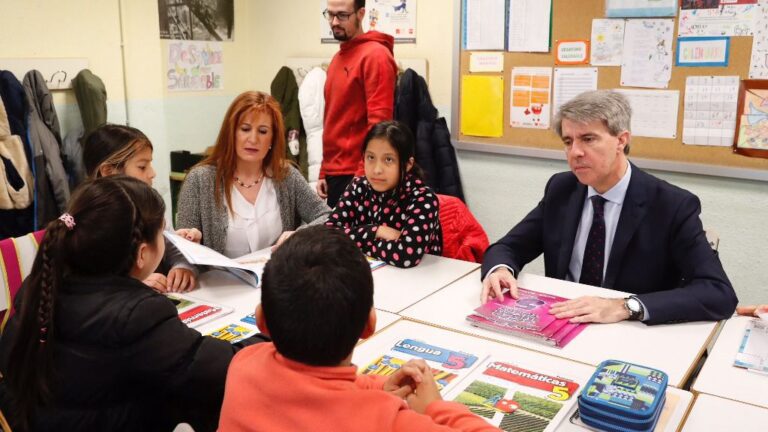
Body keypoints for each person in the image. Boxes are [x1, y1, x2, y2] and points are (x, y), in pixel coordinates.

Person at [0, 176, 269, 431]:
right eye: (163, 234)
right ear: (142, 254)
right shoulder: (136, 315)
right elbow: (223, 368)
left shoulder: (39, 285)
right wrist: (269, 327)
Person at [481, 90, 738, 325]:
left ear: (621, 140)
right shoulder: (562, 188)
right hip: (563, 320)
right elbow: (509, 246)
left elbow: (718, 293)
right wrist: (500, 269)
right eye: (568, 141)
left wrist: (626, 306)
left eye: (588, 139)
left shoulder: (671, 205)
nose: (575, 152)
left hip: (629, 330)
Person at [218, 225, 498, 431]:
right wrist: (436, 407)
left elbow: (316, 387)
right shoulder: (387, 422)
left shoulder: (243, 365)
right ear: (369, 325)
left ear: (261, 320)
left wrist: (377, 388)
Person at [176, 91, 330, 258]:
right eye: (245, 129)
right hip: (220, 282)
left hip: (277, 278)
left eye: (263, 131)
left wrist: (301, 235)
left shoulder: (286, 176)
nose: (253, 139)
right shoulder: (199, 180)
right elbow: (182, 246)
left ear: (272, 138)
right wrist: (183, 265)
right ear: (231, 132)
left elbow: (327, 216)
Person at [82, 123, 198, 292]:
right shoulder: (87, 222)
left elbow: (174, 249)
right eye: (142, 167)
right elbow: (87, 285)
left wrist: (183, 267)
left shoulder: (149, 208)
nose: (152, 173)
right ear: (108, 171)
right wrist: (133, 283)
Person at [326, 121, 442, 268]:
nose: (377, 170)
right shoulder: (358, 187)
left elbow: (406, 255)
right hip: (367, 276)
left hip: (419, 282)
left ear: (407, 164)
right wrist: (376, 231)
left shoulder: (423, 198)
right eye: (371, 158)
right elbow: (328, 234)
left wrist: (352, 242)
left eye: (388, 160)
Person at [318, 0, 398, 208]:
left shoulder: (376, 56)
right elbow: (333, 119)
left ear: (361, 14)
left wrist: (363, 177)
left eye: (343, 15)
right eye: (330, 15)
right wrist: (324, 171)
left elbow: (380, 126)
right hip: (336, 173)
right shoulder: (337, 59)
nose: (335, 22)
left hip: (358, 175)